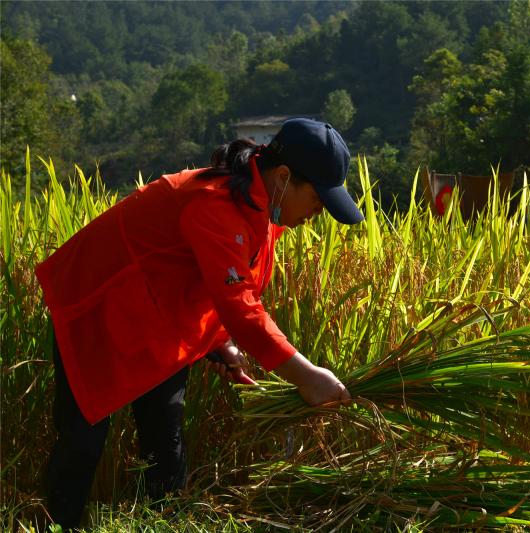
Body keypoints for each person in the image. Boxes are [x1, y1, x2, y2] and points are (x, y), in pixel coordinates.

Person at [35, 118, 363, 529]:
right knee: (83, 441)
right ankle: (58, 525)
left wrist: (217, 342)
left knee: (165, 434)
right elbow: (239, 303)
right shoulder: (215, 205)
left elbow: (214, 280)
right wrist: (308, 377)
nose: (317, 214)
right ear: (283, 177)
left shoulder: (260, 207)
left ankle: (165, 521)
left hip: (157, 314)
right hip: (100, 305)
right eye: (317, 200)